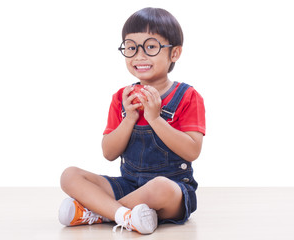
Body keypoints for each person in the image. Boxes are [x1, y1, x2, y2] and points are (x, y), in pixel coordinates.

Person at [59, 7, 206, 235]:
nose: (139, 56)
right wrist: (129, 119)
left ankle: (98, 213)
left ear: (174, 53)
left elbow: (192, 151)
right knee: (69, 175)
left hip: (171, 191)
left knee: (159, 187)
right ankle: (127, 216)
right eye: (131, 48)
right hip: (129, 184)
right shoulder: (122, 98)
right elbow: (108, 153)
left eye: (150, 47)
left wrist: (155, 119)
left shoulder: (188, 96)